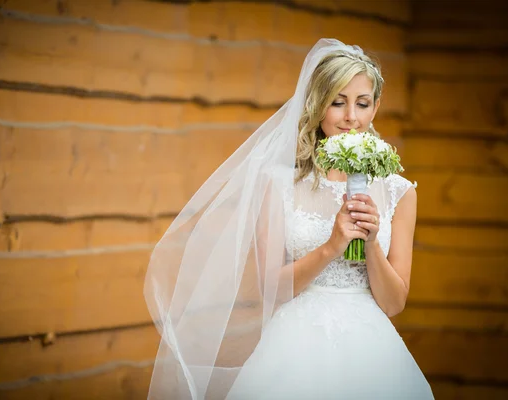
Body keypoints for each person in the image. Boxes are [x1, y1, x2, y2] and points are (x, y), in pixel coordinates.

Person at [144, 38, 435, 399]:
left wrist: (371, 242)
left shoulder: (399, 192)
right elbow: (270, 290)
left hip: (371, 349)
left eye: (362, 103)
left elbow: (393, 304)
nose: (351, 117)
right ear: (318, 105)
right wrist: (331, 246)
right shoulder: (280, 185)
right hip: (295, 345)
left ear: (376, 106)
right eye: (338, 102)